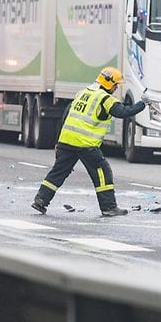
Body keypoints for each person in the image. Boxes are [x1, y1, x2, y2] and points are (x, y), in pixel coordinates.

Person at [32, 66, 145, 217]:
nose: (116, 88)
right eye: (115, 85)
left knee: (58, 172)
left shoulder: (83, 93)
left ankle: (40, 200)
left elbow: (66, 115)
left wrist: (59, 142)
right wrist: (143, 104)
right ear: (108, 83)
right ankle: (109, 207)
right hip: (85, 144)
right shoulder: (105, 98)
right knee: (103, 172)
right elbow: (124, 112)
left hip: (67, 140)